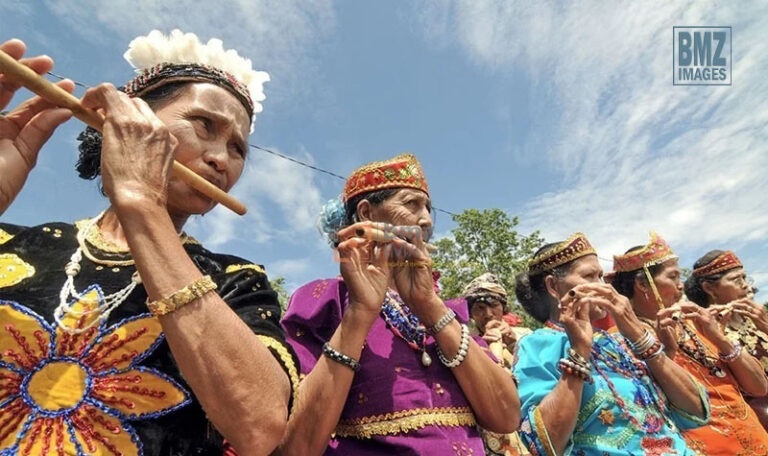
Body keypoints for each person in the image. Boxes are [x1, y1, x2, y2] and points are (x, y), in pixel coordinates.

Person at [0, 30, 297, 455]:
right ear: (131, 120)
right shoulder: (16, 244)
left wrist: (142, 204)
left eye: (237, 148)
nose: (220, 159)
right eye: (204, 125)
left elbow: (260, 424)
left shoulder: (236, 280)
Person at [278, 154, 521, 455]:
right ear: (367, 214)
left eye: (429, 208)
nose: (427, 220)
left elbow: (506, 416)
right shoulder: (323, 301)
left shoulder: (447, 312)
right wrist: (359, 314)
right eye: (411, 204)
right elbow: (295, 447)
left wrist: (429, 305)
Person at [513, 232, 709, 455]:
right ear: (553, 286)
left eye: (601, 277)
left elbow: (696, 409)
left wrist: (637, 333)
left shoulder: (619, 341)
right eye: (589, 276)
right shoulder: (536, 345)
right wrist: (579, 351)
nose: (604, 287)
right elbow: (542, 444)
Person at [609, 233, 768, 454]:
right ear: (643, 284)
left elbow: (759, 387)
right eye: (673, 277)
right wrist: (667, 354)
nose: (681, 285)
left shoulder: (697, 324)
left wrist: (720, 339)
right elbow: (646, 408)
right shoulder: (619, 340)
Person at [685, 249, 768, 429]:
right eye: (736, 280)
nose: (745, 285)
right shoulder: (701, 331)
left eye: (745, 278)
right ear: (709, 288)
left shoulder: (758, 318)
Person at [463, 272, 531, 456]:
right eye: (480, 308)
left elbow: (540, 371)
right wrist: (482, 349)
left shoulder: (526, 336)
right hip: (493, 431)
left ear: (503, 307)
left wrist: (513, 343)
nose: (488, 314)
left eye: (494, 306)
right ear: (471, 313)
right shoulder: (466, 344)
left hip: (531, 423)